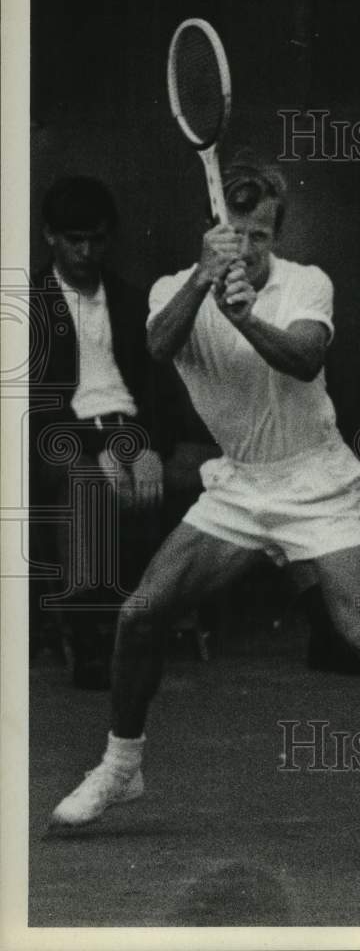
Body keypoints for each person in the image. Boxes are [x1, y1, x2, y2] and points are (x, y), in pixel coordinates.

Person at [50, 157, 360, 865]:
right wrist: (206, 284)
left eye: (261, 233)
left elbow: (302, 357)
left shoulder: (306, 284)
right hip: (239, 486)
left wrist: (247, 316)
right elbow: (158, 345)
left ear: (276, 235)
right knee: (142, 612)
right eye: (237, 232)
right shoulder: (177, 288)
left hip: (314, 483)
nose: (249, 245)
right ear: (214, 231)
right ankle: (121, 767)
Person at [30, 177, 169, 687]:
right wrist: (95, 447)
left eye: (97, 239)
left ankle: (149, 622)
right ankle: (92, 639)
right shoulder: (31, 304)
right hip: (64, 438)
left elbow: (159, 392)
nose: (87, 251)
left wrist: (148, 446)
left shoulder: (132, 301)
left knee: (213, 471)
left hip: (129, 430)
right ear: (50, 236)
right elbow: (36, 403)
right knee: (85, 482)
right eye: (74, 240)